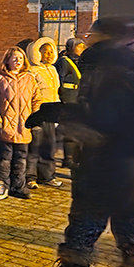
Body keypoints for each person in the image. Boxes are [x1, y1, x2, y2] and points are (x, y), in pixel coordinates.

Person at [27, 19, 134, 267]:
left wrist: (61, 112)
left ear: (105, 38)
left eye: (91, 34)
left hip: (108, 164)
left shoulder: (109, 70)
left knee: (86, 223)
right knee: (133, 233)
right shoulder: (133, 69)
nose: (86, 38)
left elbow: (103, 120)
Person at [0, 47, 40, 200]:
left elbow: (37, 99)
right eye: (14, 58)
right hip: (6, 128)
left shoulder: (30, 79)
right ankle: (1, 185)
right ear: (8, 60)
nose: (18, 61)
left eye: (20, 58)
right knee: (4, 159)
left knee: (21, 158)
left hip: (24, 128)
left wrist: (36, 118)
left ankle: (18, 186)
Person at [25, 37, 62, 188]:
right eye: (44, 51)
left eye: (50, 51)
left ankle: (47, 176)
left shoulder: (53, 70)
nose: (48, 54)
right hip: (39, 112)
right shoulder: (32, 70)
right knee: (35, 146)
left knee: (49, 146)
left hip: (52, 112)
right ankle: (30, 177)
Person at [56, 38, 84, 169]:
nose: (82, 49)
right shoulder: (64, 62)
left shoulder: (82, 62)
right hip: (69, 99)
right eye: (79, 47)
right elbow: (59, 81)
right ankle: (68, 158)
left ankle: (77, 157)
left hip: (79, 99)